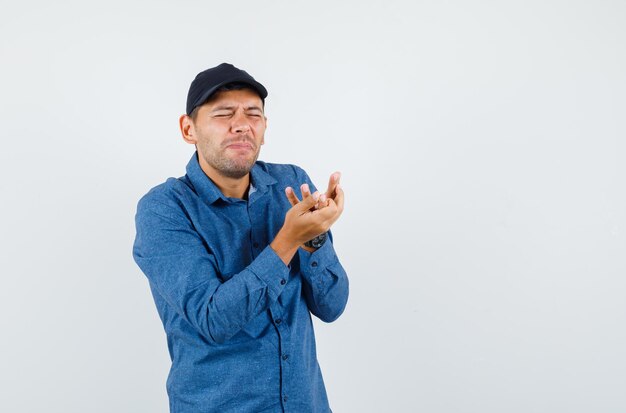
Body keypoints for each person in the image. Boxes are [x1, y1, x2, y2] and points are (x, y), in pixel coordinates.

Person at [132, 63, 349, 413]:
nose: (241, 124)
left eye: (253, 113)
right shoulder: (163, 209)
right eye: (223, 113)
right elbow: (213, 319)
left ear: (264, 128)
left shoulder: (291, 184)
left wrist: (315, 240)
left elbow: (332, 307)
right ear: (188, 129)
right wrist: (288, 240)